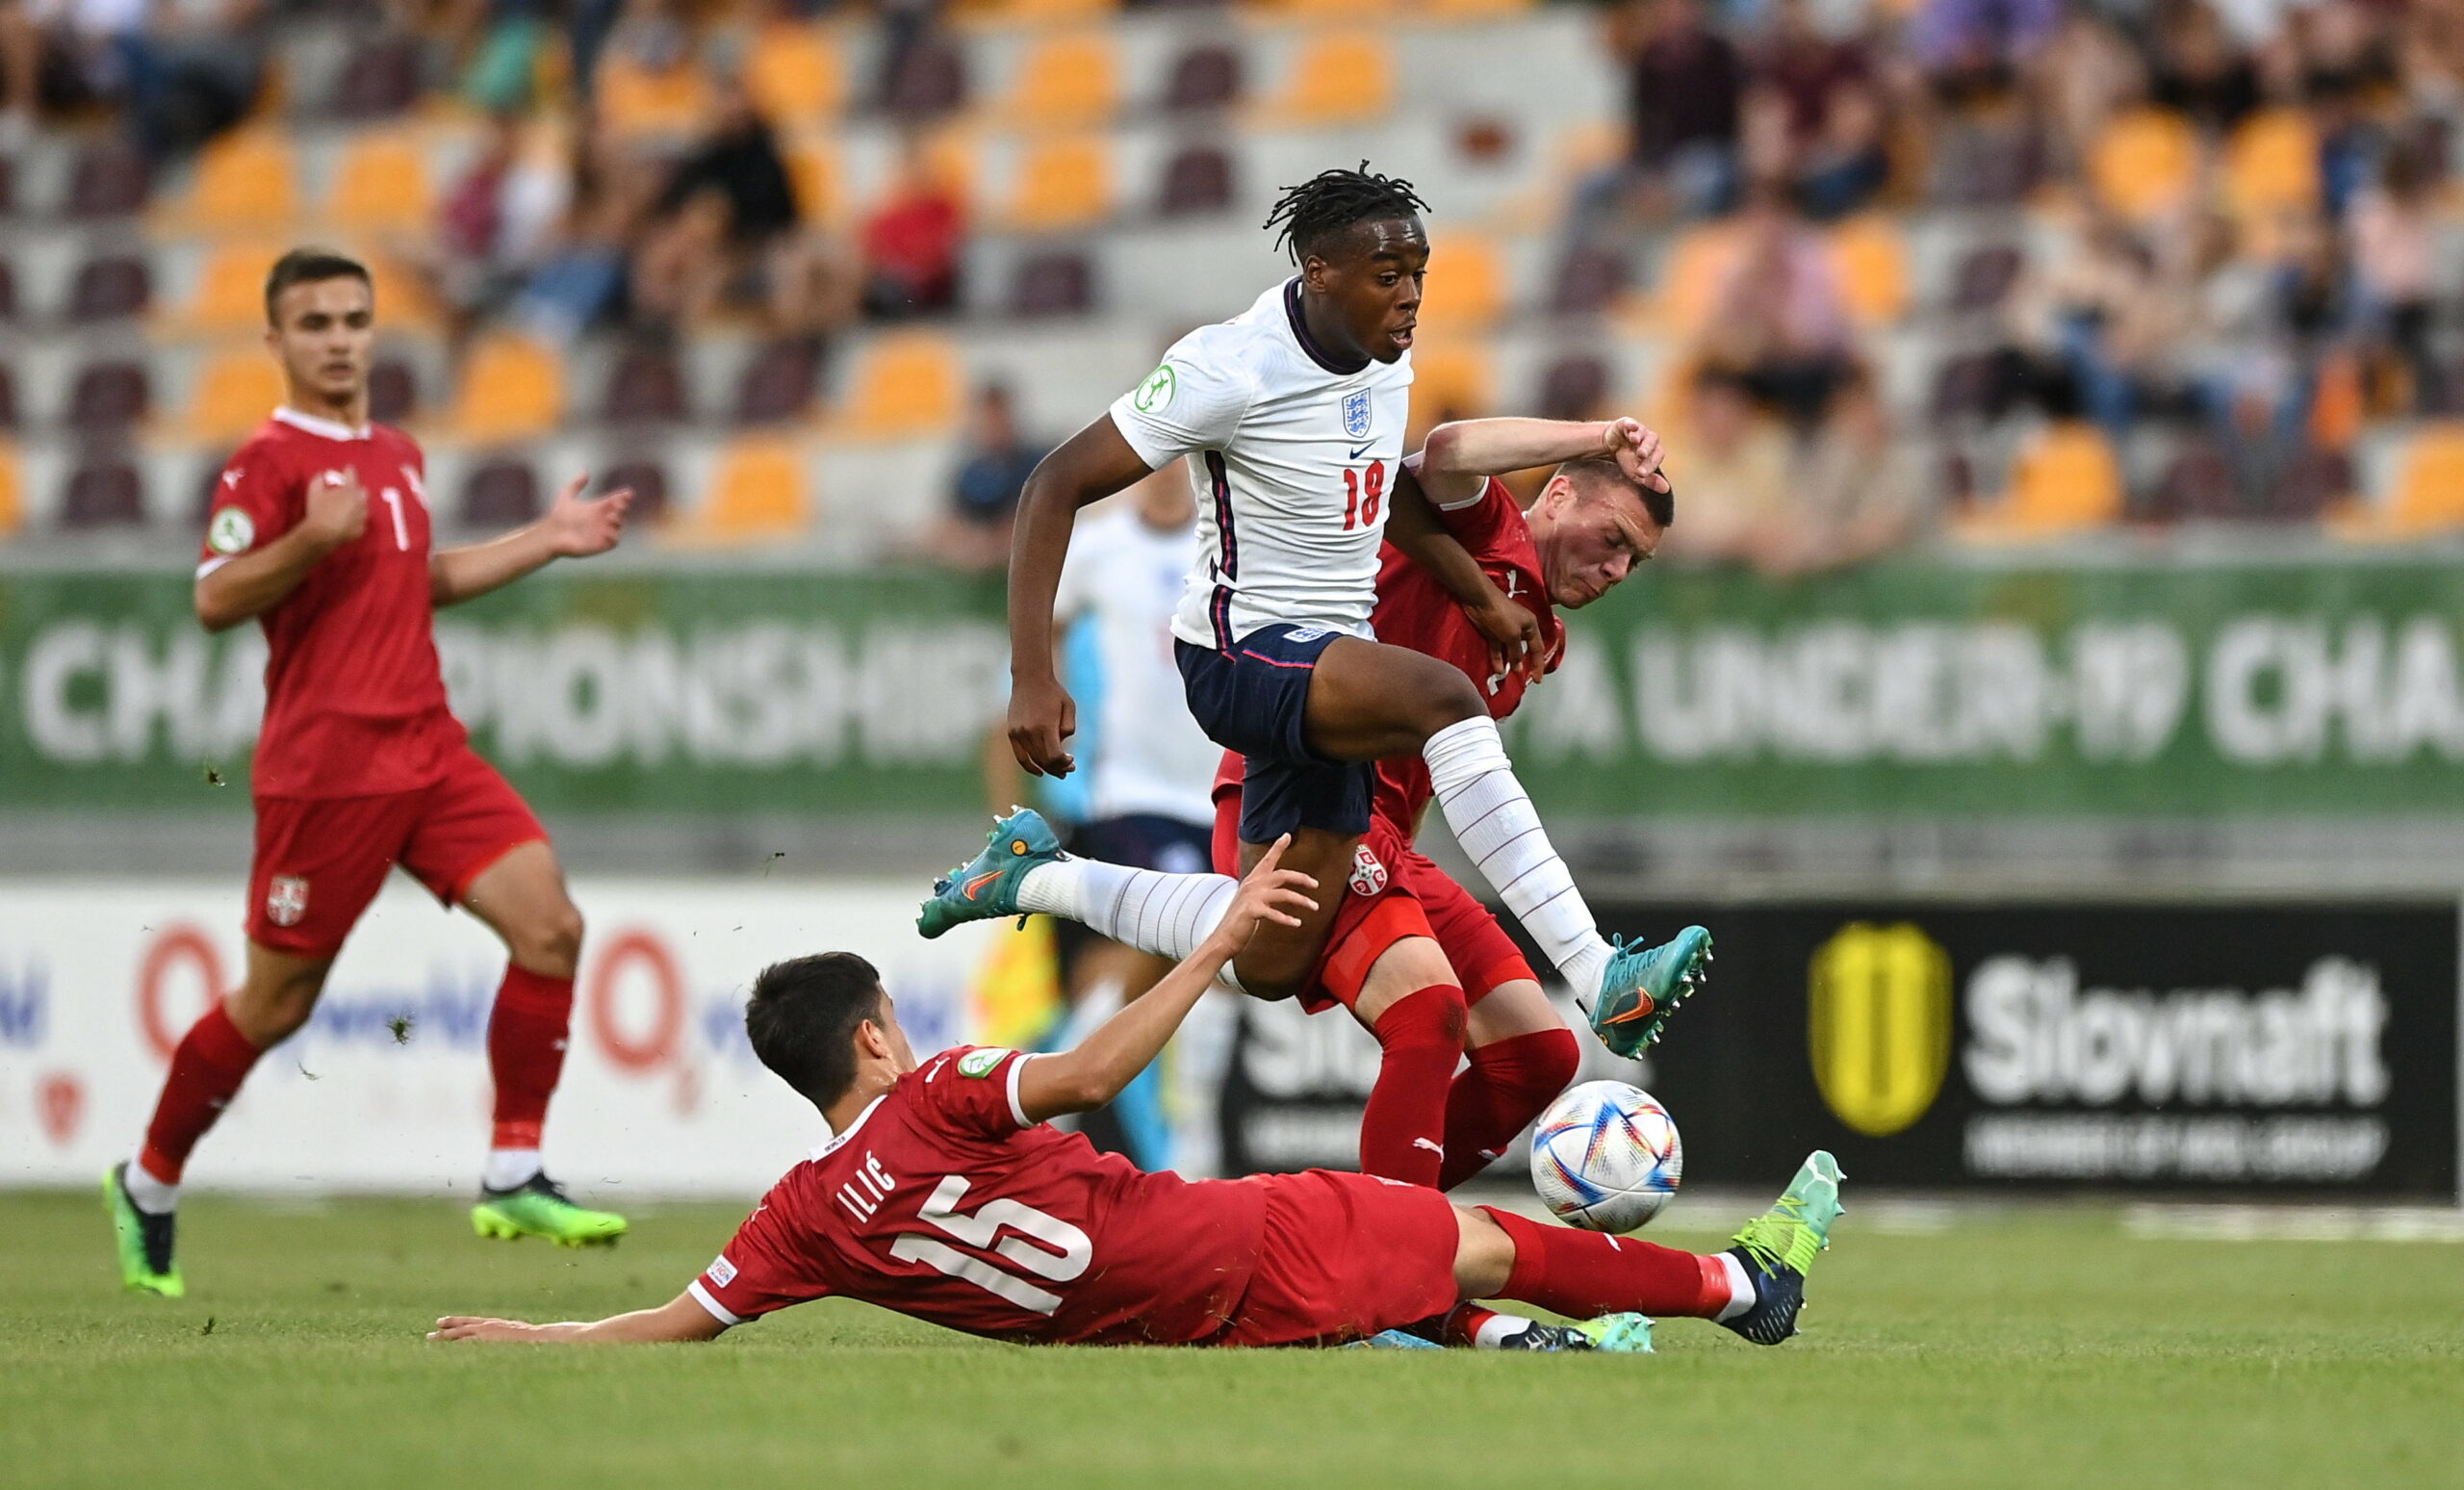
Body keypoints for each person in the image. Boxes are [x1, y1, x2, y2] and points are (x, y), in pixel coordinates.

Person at [428, 842, 1847, 1351]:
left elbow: (678, 1321)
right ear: (872, 1038)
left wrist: (531, 1335)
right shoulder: (940, 1092)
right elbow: (1097, 1071)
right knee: (1471, 1237)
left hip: (1159, 1321)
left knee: (1428, 1256)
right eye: (893, 1019)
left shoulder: (805, 1217)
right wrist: (1218, 941)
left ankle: (1479, 1344)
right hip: (1218, 1250)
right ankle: (1741, 1286)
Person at [987, 163, 1709, 1051]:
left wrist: (1478, 593)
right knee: (1449, 697)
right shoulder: (1229, 366)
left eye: (1418, 276)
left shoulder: (1383, 361)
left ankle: (1035, 878)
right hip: (1239, 655)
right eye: (1387, 276)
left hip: (1323, 660)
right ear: (1318, 272)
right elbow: (1054, 482)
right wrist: (1032, 673)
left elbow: (1387, 493)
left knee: (1267, 956)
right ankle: (1598, 970)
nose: (1409, 298)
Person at [932, 416, 1683, 1195]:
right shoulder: (1486, 529)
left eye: (1637, 559)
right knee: (1422, 1009)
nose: (1619, 568)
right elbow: (1449, 451)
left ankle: (1377, 1225)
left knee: (1540, 1055)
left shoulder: (1542, 634)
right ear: (1558, 493)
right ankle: (1390, 1261)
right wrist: (1596, 436)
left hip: (1382, 837)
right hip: (1298, 785)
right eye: (1615, 537)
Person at [102, 248, 636, 1298]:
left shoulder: (394, 451)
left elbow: (412, 579)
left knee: (552, 927)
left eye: (354, 318)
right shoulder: (267, 461)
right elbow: (214, 598)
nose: (340, 338)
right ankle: (148, 1182)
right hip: (326, 772)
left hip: (429, 751)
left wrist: (548, 539)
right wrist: (306, 536)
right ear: (276, 343)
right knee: (275, 1004)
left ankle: (512, 1170)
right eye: (315, 323)